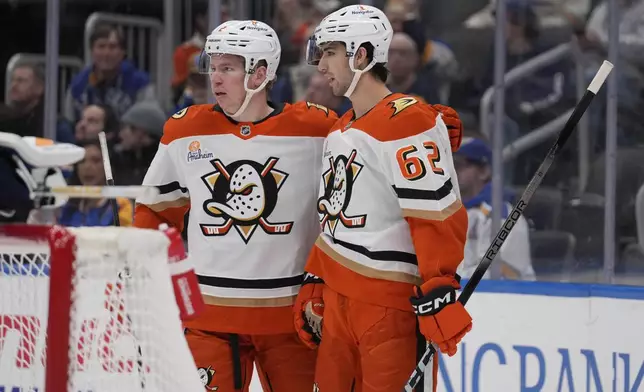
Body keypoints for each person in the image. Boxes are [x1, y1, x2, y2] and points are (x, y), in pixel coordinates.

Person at [132, 20, 338, 392]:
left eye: (228, 68)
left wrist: (420, 121)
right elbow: (155, 212)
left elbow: (362, 166)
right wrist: (148, 276)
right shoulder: (185, 130)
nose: (216, 78)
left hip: (293, 319)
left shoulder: (316, 129)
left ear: (260, 73)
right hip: (210, 319)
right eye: (213, 67)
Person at [294, 5, 472, 391]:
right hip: (340, 304)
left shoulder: (407, 121)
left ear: (360, 55)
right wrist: (317, 277)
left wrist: (439, 284)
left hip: (390, 307)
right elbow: (334, 215)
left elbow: (436, 214)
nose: (321, 66)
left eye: (330, 53)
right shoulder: (341, 128)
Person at [453, 136, 535, 280]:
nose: (451, 171)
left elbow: (500, 274)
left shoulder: (502, 216)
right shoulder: (443, 212)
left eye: (458, 165)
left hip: (506, 300)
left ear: (484, 171)